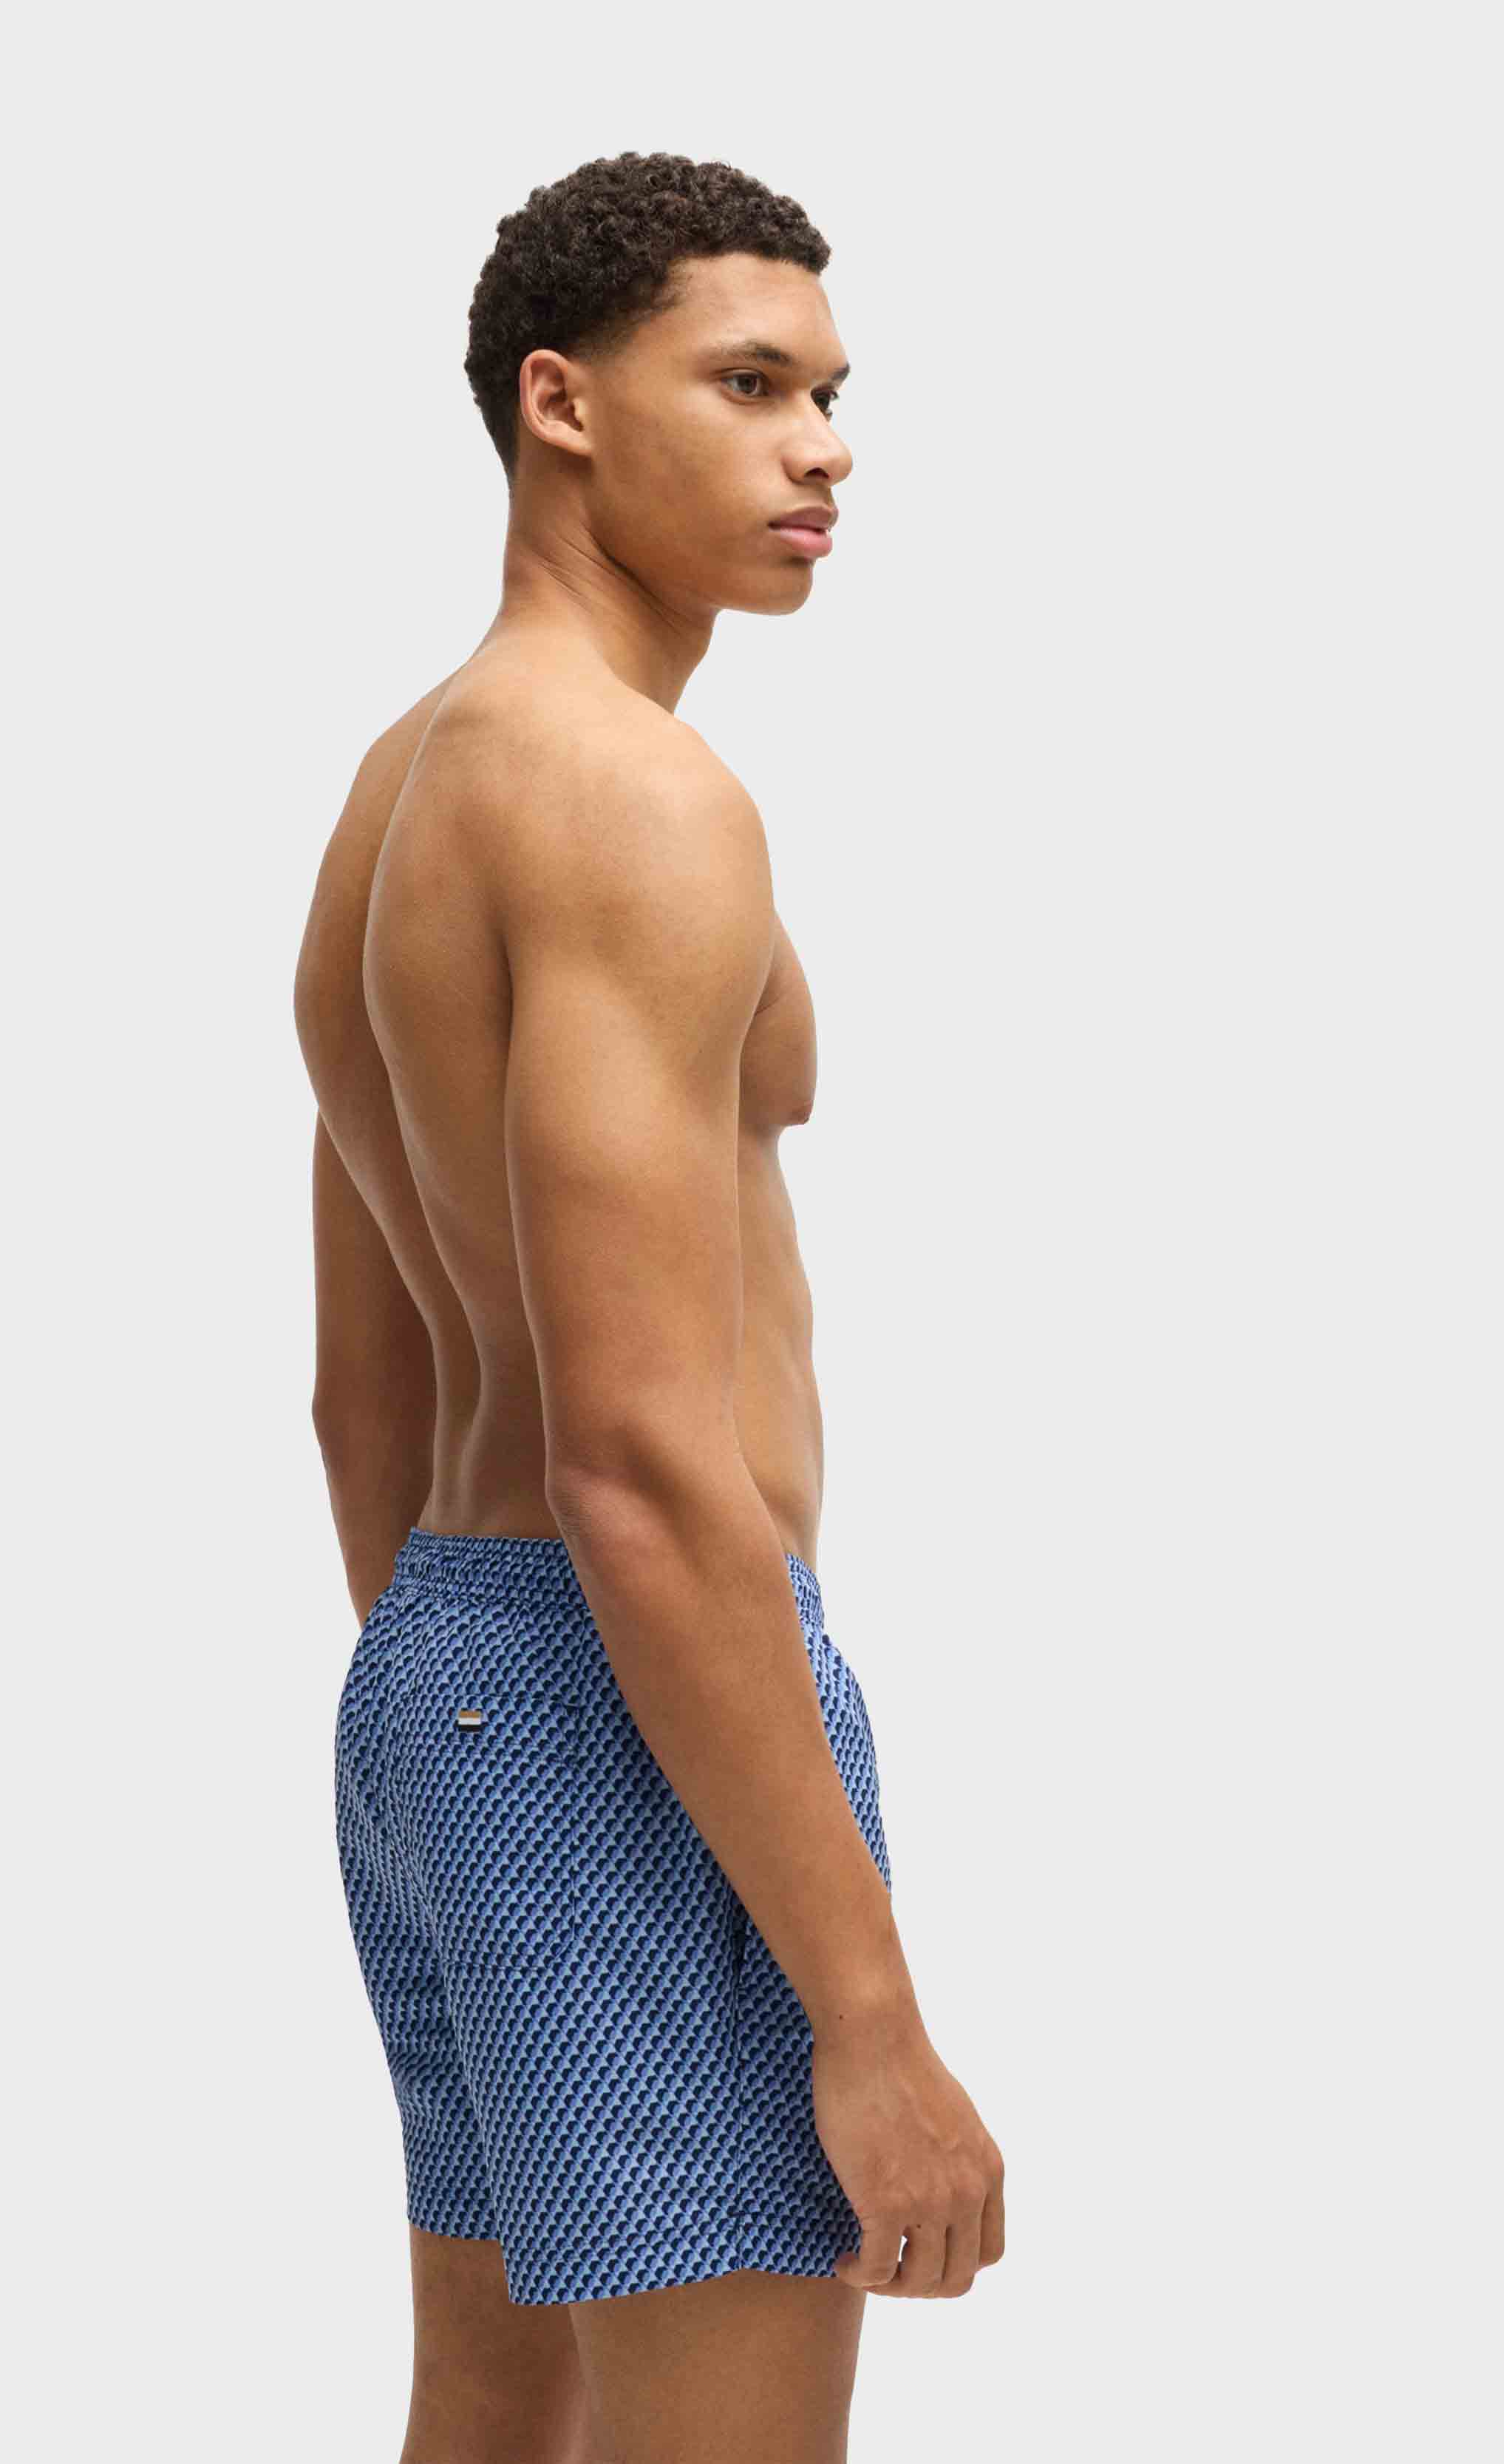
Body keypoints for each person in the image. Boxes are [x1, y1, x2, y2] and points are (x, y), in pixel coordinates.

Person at [294, 149, 1005, 2464]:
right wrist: (868, 2021)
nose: (825, 450)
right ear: (561, 402)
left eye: (832, 396)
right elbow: (630, 1451)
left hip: (455, 1672)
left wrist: (465, 1717)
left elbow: (363, 1394)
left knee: (491, 2434)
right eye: (752, 385)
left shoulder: (404, 790)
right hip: (632, 1680)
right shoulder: (634, 799)